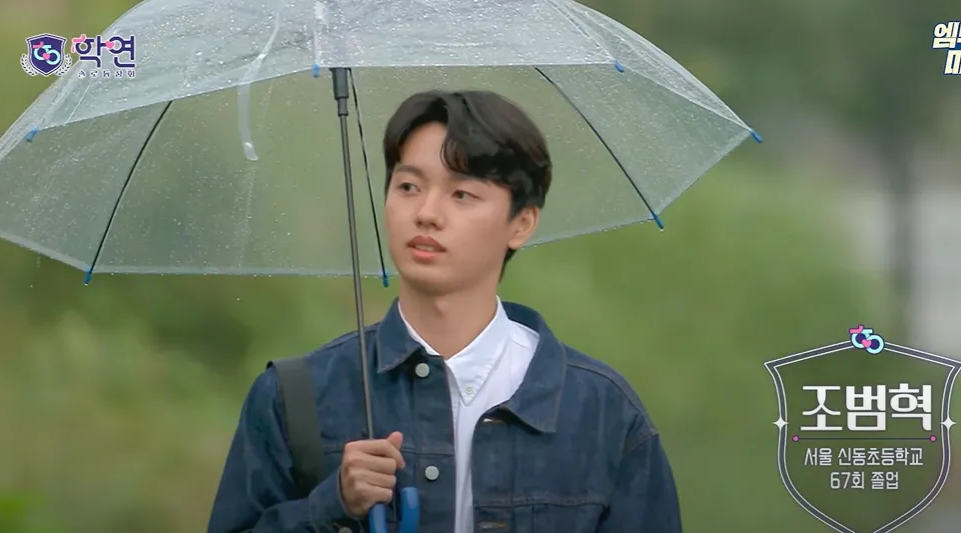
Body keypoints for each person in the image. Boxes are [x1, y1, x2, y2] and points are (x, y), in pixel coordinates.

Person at [207, 90, 681, 533]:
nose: (427, 213)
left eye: (462, 194)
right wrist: (331, 504)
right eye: (408, 186)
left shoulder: (601, 413)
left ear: (521, 223)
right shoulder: (296, 397)